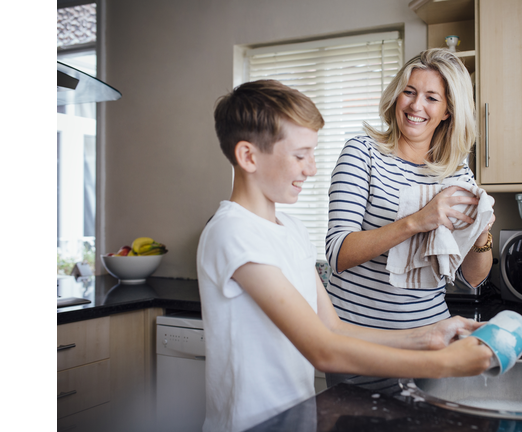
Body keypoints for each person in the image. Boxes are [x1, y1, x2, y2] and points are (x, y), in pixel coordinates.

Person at [197, 79, 493, 432]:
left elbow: (332, 327)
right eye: (300, 155)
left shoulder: (290, 228)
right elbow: (323, 350)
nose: (312, 168)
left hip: (296, 419)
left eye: (312, 154)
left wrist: (430, 336)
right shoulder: (233, 232)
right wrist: (445, 365)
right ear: (248, 156)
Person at [325, 48, 495, 332]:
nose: (416, 106)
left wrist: (481, 233)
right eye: (409, 92)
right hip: (358, 339)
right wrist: (416, 222)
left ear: (447, 111)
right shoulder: (362, 153)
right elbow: (338, 253)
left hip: (430, 336)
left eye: (431, 98)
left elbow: (472, 279)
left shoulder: (458, 173)